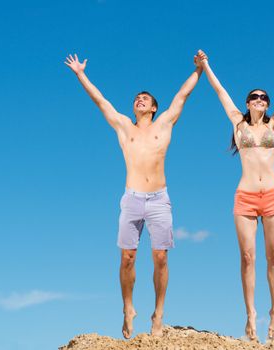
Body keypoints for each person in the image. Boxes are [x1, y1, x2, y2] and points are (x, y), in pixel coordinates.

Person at [64, 53, 203, 338]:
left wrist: (199, 71)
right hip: (132, 198)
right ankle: (128, 308)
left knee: (161, 257)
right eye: (136, 98)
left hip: (159, 199)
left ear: (153, 108)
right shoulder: (124, 126)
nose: (139, 99)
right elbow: (100, 101)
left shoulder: (163, 125)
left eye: (145, 98)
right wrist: (80, 74)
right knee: (127, 257)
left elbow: (182, 96)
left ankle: (158, 313)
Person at [197, 36, 274, 340]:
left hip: (272, 195)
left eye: (263, 98)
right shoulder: (238, 124)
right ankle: (251, 316)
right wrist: (205, 66)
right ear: (247, 103)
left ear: (267, 104)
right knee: (247, 257)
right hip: (245, 197)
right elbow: (220, 92)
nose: (259, 100)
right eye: (254, 97)